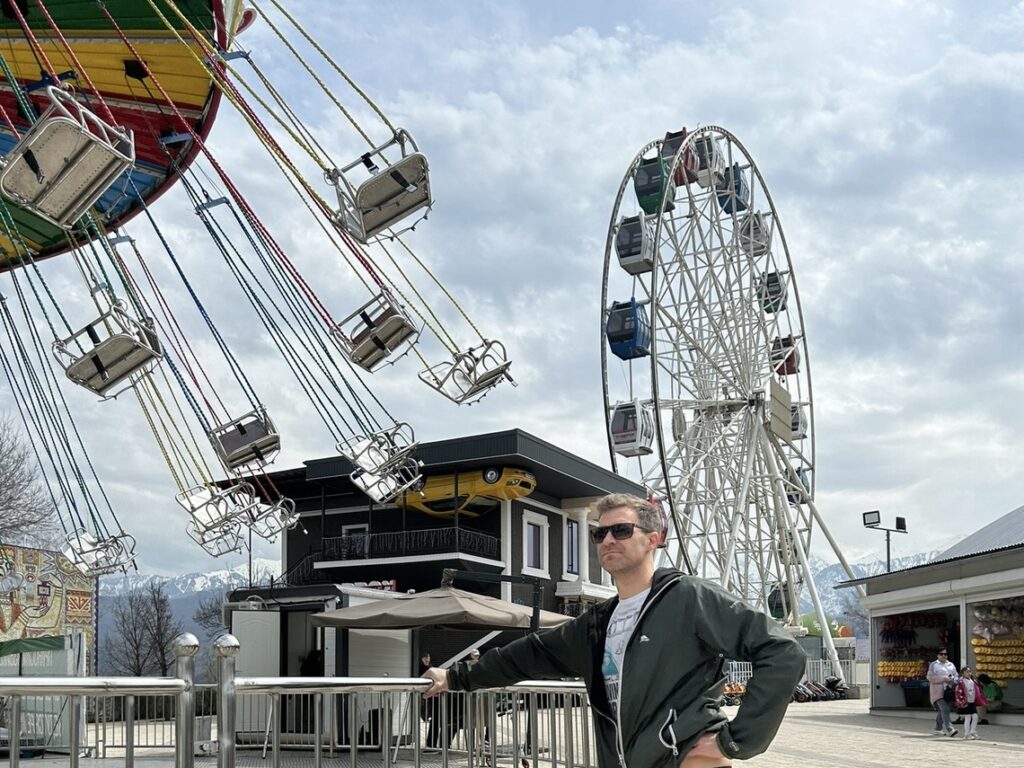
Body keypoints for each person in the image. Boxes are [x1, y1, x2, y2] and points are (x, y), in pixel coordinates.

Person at [422, 493, 806, 768]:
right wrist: (455, 676)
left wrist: (734, 740)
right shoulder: (597, 622)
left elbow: (783, 652)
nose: (607, 540)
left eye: (621, 530)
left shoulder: (689, 597)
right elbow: (528, 655)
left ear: (653, 539)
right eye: (599, 533)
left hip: (684, 758)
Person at [926, 648, 958, 737]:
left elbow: (956, 675)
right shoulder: (934, 665)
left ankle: (938, 728)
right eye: (941, 654)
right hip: (938, 692)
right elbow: (930, 677)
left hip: (948, 691)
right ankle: (950, 729)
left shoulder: (951, 665)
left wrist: (953, 680)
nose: (943, 655)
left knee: (942, 710)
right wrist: (943, 679)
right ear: (937, 655)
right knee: (945, 709)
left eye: (945, 654)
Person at [954, 666, 987, 740]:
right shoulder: (961, 682)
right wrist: (961, 701)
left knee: (975, 716)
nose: (969, 673)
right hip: (966, 702)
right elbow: (958, 693)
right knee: (968, 717)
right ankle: (966, 733)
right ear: (962, 673)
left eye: (969, 671)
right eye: (967, 672)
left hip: (972, 701)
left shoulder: (973, 681)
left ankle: (973, 731)